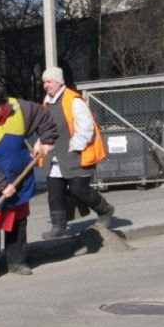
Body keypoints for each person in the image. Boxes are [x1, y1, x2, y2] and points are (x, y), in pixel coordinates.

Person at [0, 84, 57, 279]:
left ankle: (16, 261)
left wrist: (47, 140)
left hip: (20, 176)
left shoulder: (20, 109)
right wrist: (0, 184)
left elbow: (43, 116)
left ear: (4, 102)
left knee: (18, 221)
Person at [39, 66, 115, 239]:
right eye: (44, 82)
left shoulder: (74, 100)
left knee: (78, 190)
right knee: (54, 190)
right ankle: (59, 226)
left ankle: (105, 210)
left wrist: (76, 146)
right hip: (55, 155)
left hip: (76, 154)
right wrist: (40, 144)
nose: (45, 85)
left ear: (58, 82)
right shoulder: (47, 102)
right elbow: (44, 128)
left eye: (49, 81)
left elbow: (86, 127)